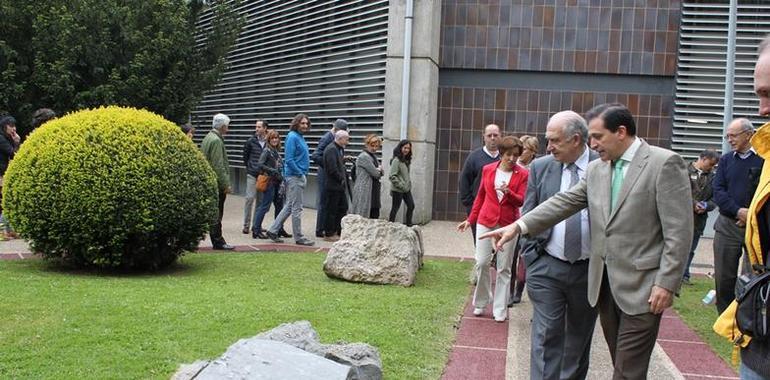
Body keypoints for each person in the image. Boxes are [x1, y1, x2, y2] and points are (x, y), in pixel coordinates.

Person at [481, 105, 692, 380]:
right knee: (623, 363)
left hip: (644, 289)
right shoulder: (598, 169)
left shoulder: (664, 163)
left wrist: (666, 282)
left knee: (627, 369)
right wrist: (519, 226)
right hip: (604, 286)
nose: (592, 143)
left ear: (621, 132)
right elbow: (563, 202)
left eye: (597, 136)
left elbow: (679, 231)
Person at [518, 111, 599, 380]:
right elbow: (529, 213)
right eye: (547, 140)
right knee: (546, 335)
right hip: (547, 266)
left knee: (578, 338)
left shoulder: (604, 166)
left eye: (554, 141)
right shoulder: (541, 167)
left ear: (576, 139)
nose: (548, 147)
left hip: (590, 271)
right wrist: (532, 259)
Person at [457, 136, 528, 322]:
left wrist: (508, 192)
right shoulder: (488, 170)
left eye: (515, 155)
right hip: (485, 220)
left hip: (508, 224)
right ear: (502, 154)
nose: (512, 159)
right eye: (508, 155)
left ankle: (500, 308)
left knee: (504, 268)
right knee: (481, 262)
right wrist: (470, 219)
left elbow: (521, 200)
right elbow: (480, 197)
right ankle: (481, 302)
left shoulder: (522, 174)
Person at [739, 35, 770, 380]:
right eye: (760, 93)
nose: (762, 109)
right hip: (759, 347)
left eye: (769, 93)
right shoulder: (767, 153)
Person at [712, 118, 764, 314]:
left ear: (749, 134)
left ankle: (747, 316)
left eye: (733, 135)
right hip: (727, 224)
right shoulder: (725, 160)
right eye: (727, 136)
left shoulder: (764, 159)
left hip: (757, 225)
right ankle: (724, 315)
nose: (729, 140)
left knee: (753, 274)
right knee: (724, 275)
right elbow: (718, 190)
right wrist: (738, 211)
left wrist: (750, 214)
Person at [266, 114, 315, 246]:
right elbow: (289, 159)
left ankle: (273, 230)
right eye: (302, 123)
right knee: (297, 208)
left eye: (306, 123)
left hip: (297, 176)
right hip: (295, 177)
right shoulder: (292, 137)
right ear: (296, 123)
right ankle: (299, 237)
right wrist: (300, 173)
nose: (305, 125)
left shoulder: (299, 137)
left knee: (289, 206)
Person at [509, 133, 539, 305]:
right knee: (511, 256)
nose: (520, 152)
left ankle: (520, 288)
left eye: (525, 149)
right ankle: (510, 291)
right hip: (514, 216)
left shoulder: (538, 168)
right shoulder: (512, 167)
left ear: (533, 152)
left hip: (531, 217)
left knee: (525, 256)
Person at [459, 124, 501, 242]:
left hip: (499, 209)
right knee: (480, 241)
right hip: (478, 207)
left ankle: (496, 261)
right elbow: (464, 181)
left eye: (495, 135)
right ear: (484, 137)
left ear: (500, 136)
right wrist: (469, 204)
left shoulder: (505, 157)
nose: (492, 138)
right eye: (489, 135)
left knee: (500, 242)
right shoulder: (474, 157)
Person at [683, 149, 719, 284]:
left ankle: (684, 276)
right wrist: (693, 204)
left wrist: (705, 206)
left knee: (691, 249)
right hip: (682, 217)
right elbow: (678, 192)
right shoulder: (683, 170)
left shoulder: (713, 177)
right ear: (702, 159)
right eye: (710, 164)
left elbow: (715, 199)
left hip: (699, 220)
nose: (711, 168)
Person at [200, 113, 234, 250]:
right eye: (227, 126)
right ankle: (218, 240)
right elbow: (218, 165)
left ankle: (217, 239)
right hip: (215, 183)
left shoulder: (209, 137)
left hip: (210, 180)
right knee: (217, 212)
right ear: (223, 126)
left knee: (215, 212)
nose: (228, 129)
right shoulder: (216, 141)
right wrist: (225, 184)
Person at [312, 118, 348, 238]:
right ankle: (320, 229)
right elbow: (316, 155)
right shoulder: (327, 138)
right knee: (325, 202)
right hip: (327, 174)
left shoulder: (338, 142)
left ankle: (330, 228)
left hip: (333, 173)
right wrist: (330, 165)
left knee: (336, 204)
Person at [251, 129, 285, 239]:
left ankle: (279, 228)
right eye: (272, 138)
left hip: (277, 182)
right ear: (269, 140)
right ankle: (256, 230)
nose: (275, 140)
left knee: (279, 206)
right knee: (264, 206)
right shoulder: (267, 151)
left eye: (276, 138)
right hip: (269, 182)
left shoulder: (275, 151)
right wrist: (272, 171)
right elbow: (260, 165)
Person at [242, 119, 272, 236]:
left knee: (260, 201)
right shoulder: (250, 141)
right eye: (256, 127)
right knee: (249, 198)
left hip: (263, 175)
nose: (257, 129)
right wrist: (250, 167)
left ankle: (256, 225)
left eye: (259, 127)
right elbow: (245, 156)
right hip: (252, 174)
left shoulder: (269, 141)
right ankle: (246, 225)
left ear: (265, 128)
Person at [322, 130, 350, 242]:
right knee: (331, 210)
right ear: (340, 138)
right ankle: (329, 233)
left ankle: (338, 230)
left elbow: (336, 163)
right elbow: (332, 168)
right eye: (346, 139)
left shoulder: (338, 149)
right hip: (333, 185)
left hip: (339, 186)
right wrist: (341, 178)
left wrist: (343, 159)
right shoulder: (331, 149)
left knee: (342, 207)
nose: (347, 141)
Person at [351, 134, 383, 218]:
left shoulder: (373, 156)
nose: (374, 148)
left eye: (377, 146)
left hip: (373, 190)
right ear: (367, 144)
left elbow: (381, 172)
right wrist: (378, 169)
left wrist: (379, 170)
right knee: (363, 216)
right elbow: (376, 174)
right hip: (365, 190)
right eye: (372, 145)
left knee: (374, 214)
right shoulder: (364, 157)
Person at [0, 116, 20, 240]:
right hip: (1, 175)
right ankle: (3, 231)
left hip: (4, 174)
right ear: (4, 127)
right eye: (11, 125)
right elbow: (14, 154)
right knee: (5, 201)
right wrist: (17, 143)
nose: (14, 128)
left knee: (8, 201)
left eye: (14, 125)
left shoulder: (6, 139)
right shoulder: (1, 139)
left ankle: (9, 230)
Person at [388, 139, 415, 226]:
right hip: (398, 189)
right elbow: (392, 176)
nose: (406, 150)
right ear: (400, 148)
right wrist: (401, 185)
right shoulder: (396, 160)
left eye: (408, 148)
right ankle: (390, 226)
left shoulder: (406, 160)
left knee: (411, 206)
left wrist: (407, 185)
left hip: (406, 189)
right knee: (395, 208)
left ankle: (409, 225)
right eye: (405, 148)